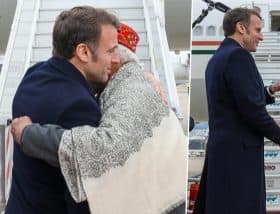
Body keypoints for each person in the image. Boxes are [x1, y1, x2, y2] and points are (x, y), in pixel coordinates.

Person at [10, 23, 187, 214]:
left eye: (112, 52)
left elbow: (103, 149)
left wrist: (29, 134)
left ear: (116, 62)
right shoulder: (131, 83)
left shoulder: (129, 93)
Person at [7, 6, 120, 213]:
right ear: (83, 52)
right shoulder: (79, 106)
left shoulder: (34, 75)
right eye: (111, 50)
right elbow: (83, 196)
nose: (116, 59)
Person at [194, 8, 280, 214]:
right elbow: (251, 110)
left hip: (223, 151)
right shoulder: (239, 57)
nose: (261, 36)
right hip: (239, 157)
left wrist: (269, 90)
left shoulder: (218, 58)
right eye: (257, 29)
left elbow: (234, 99)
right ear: (241, 28)